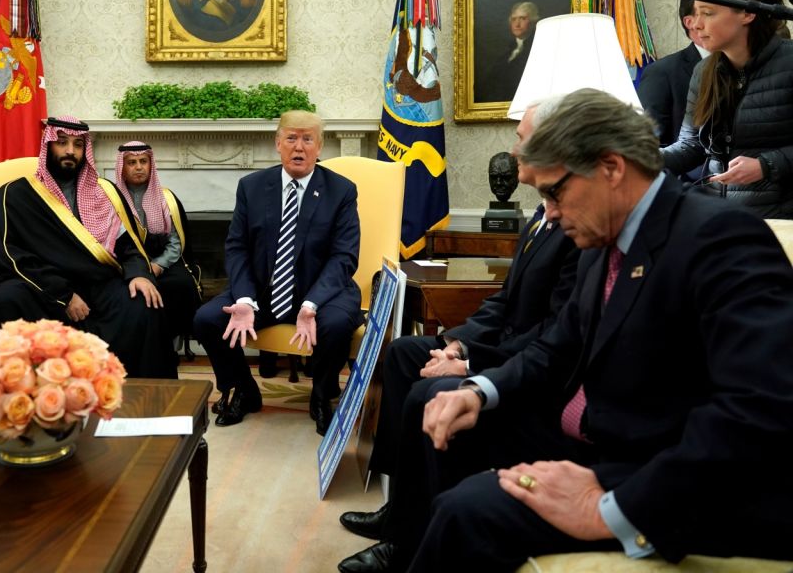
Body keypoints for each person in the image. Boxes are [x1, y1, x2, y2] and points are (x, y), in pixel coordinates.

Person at [348, 88, 793, 573]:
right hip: (586, 432)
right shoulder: (605, 239)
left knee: (469, 510)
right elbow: (559, 346)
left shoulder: (720, 236)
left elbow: (758, 411)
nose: (551, 213)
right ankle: (405, 544)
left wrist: (608, 510)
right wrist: (480, 391)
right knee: (447, 419)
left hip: (665, 470)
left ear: (610, 167)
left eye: (554, 193)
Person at [338, 97, 579, 559]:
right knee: (404, 353)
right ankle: (399, 506)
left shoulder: (576, 225)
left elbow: (554, 333)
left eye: (522, 139)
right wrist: (455, 344)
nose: (513, 150)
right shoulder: (540, 215)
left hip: (520, 359)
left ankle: (406, 541)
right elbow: (504, 300)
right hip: (497, 344)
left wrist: (468, 364)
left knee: (426, 392)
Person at [192, 110, 362, 435]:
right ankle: (244, 390)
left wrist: (311, 304)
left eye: (308, 139)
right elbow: (237, 247)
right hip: (264, 291)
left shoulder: (341, 190)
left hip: (322, 292)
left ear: (319, 146)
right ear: (278, 143)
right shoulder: (252, 186)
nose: (299, 147)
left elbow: (344, 256)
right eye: (291, 138)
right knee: (207, 319)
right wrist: (245, 298)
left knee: (338, 324)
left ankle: (321, 395)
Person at [0, 116, 178, 379]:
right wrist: (63, 295)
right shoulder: (15, 194)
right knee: (6, 300)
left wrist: (139, 273)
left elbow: (127, 244)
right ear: (48, 145)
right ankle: (22, 390)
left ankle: (139, 394)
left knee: (144, 301)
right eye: (62, 142)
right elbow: (7, 255)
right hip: (42, 287)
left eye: (77, 145)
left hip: (96, 283)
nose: (70, 151)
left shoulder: (104, 192)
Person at [662, 0, 793, 218]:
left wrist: (766, 165)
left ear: (747, 14)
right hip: (721, 218)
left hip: (780, 221)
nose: (696, 24)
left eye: (708, 13)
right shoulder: (703, 71)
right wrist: (638, 159)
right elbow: (691, 145)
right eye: (696, 13)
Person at [112, 141, 201, 343]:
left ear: (151, 164)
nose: (139, 167)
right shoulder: (111, 199)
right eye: (132, 162)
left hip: (162, 260)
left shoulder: (166, 198)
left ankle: (169, 342)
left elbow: (175, 243)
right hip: (125, 262)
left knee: (181, 284)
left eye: (143, 161)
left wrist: (159, 265)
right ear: (122, 167)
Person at [637, 0, 708, 149]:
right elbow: (649, 142)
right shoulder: (661, 72)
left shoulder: (742, 65)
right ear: (691, 23)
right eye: (710, 13)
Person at [477, 2, 541, 103]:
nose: (517, 24)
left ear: (533, 22)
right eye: (514, 19)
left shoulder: (539, 48)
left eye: (523, 18)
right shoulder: (506, 51)